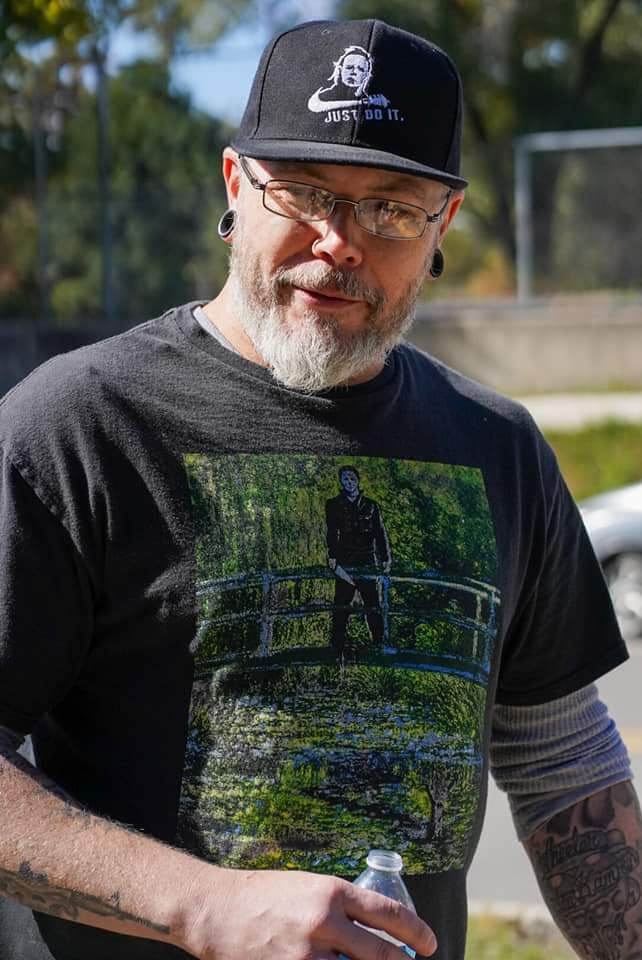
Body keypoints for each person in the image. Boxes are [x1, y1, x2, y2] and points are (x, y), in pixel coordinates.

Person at [0, 16, 638, 960]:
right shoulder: (79, 425)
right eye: (302, 192)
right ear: (235, 186)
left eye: (391, 208)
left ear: (443, 225)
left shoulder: (496, 446)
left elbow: (562, 762)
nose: (339, 241)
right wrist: (199, 903)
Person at [325, 465, 391, 654]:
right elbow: (331, 533)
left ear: (358, 480)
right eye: (345, 479)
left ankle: (378, 644)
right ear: (340, 482)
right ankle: (336, 646)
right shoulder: (333, 504)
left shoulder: (371, 505)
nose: (349, 482)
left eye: (352, 478)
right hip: (346, 562)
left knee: (373, 605)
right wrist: (332, 556)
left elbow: (380, 533)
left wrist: (386, 558)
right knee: (341, 605)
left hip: (367, 561)